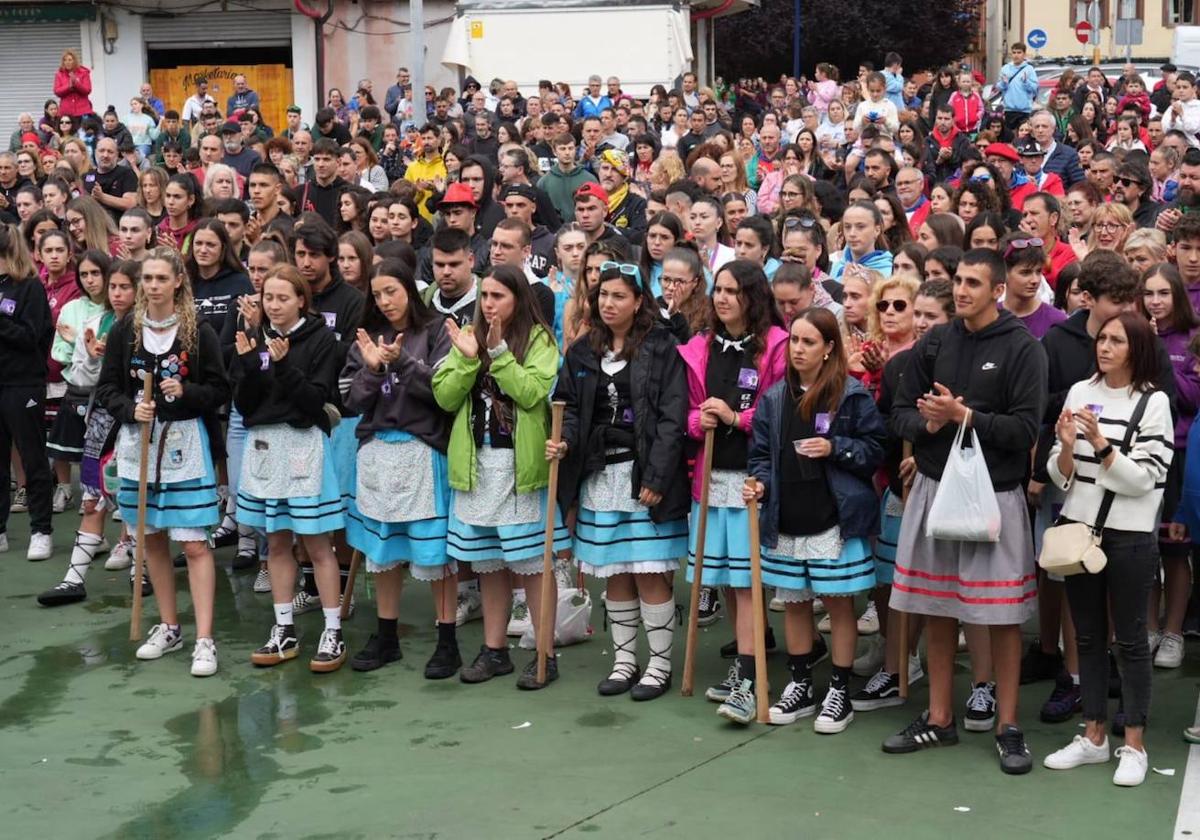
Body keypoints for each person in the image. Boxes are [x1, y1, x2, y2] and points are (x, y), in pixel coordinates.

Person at [886, 248, 1048, 775]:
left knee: (999, 619)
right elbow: (899, 413)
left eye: (973, 283)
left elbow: (1025, 431)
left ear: (997, 289)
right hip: (934, 490)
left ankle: (1007, 726)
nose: (961, 291)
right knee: (934, 609)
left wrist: (965, 416)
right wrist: (929, 425)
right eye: (958, 280)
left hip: (994, 497)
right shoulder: (935, 340)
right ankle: (938, 717)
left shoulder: (1024, 348)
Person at [1043, 312, 1172, 787]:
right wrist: (1063, 448)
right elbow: (1062, 478)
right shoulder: (1080, 392)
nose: (1105, 346)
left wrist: (1100, 445)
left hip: (1131, 535)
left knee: (1132, 640)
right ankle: (1094, 735)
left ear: (1136, 348)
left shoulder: (1153, 402)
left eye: (1117, 340)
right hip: (1080, 528)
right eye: (1102, 338)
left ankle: (1133, 743)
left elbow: (1145, 479)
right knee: (1088, 637)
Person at [550, 260, 689, 700]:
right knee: (614, 573)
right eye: (603, 295)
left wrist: (657, 475)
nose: (608, 303)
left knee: (648, 573)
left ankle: (660, 666)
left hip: (642, 475)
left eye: (619, 296)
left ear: (639, 302)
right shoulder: (582, 351)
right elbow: (570, 408)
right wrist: (567, 443)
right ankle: (626, 661)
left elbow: (672, 418)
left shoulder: (662, 348)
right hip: (599, 476)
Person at [744, 306, 885, 731]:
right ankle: (802, 684)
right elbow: (761, 457)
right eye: (794, 341)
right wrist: (761, 485)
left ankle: (838, 689)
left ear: (828, 349)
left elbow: (875, 451)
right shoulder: (772, 399)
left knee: (840, 606)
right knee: (795, 604)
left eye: (809, 342)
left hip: (834, 519)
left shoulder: (851, 393)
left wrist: (835, 447)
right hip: (786, 518)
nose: (799, 349)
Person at [432, 264, 570, 689]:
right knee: (489, 564)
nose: (489, 304)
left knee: (531, 565)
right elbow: (444, 395)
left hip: (519, 466)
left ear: (518, 300)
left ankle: (545, 653)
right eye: (485, 296)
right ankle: (495, 650)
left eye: (498, 297)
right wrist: (469, 360)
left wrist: (499, 356)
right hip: (476, 464)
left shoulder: (541, 340)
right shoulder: (468, 338)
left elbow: (532, 394)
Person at [96, 246, 230, 676]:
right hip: (139, 447)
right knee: (150, 538)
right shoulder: (125, 331)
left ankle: (205, 639)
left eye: (159, 278)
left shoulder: (198, 332)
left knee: (193, 544)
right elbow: (109, 388)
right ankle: (170, 626)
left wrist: (185, 393)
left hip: (185, 447)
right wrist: (128, 410)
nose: (152, 286)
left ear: (177, 282)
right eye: (146, 279)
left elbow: (219, 389)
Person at [679, 260, 788, 722]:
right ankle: (746, 662)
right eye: (718, 290)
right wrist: (696, 420)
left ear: (753, 296)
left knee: (746, 586)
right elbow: (686, 410)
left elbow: (781, 412)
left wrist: (734, 418)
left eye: (732, 291)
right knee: (723, 578)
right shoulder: (701, 346)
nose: (722, 298)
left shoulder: (776, 346)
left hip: (750, 479)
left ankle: (750, 677)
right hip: (710, 478)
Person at [341, 259, 456, 673]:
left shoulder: (438, 330)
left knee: (436, 552)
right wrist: (373, 369)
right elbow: (350, 400)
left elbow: (446, 393)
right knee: (383, 551)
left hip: (423, 450)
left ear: (409, 287)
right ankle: (387, 635)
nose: (385, 301)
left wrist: (404, 363)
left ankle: (448, 639)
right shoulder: (367, 338)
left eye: (391, 291)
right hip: (377, 453)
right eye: (377, 294)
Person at [233, 264, 346, 672]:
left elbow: (316, 402)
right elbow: (245, 404)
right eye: (269, 298)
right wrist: (249, 363)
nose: (274, 305)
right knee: (276, 542)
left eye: (283, 298)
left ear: (302, 299)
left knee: (317, 544)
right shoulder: (252, 338)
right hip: (264, 447)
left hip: (302, 445)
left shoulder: (321, 341)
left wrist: (282, 367)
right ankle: (284, 628)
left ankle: (332, 630)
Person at [38, 258, 140, 604]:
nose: (118, 293)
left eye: (125, 286)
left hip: (139, 422)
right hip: (100, 420)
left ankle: (139, 570)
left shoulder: (148, 326)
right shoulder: (97, 322)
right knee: (94, 497)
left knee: (134, 497)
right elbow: (80, 377)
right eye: (114, 286)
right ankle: (74, 578)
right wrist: (95, 356)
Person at [0, 224, 54, 560]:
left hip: (23, 383)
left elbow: (31, 337)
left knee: (33, 457)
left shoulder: (29, 287)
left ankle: (41, 530)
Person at [1001, 233, 1066, 338]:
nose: (1035, 280)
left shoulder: (1057, 321)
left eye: (1038, 271)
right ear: (1004, 272)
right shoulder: (988, 318)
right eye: (1025, 273)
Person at [538, 132, 598, 224]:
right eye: (562, 149)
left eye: (570, 148)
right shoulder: (544, 182)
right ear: (554, 151)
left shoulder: (589, 179)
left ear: (575, 149)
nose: (567, 153)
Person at [997, 43, 1039, 131]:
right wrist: (1004, 83)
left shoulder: (1029, 69)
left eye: (1019, 52)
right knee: (1010, 137)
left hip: (1024, 111)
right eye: (1014, 52)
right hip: (1009, 110)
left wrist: (1025, 82)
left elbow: (1034, 88)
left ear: (1024, 54)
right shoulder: (1005, 68)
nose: (1016, 55)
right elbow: (999, 87)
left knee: (1024, 136)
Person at [54, 50, 93, 120]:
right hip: (66, 112)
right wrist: (69, 86)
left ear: (74, 61)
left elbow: (87, 90)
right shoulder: (59, 74)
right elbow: (57, 91)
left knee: (83, 131)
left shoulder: (84, 73)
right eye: (65, 60)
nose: (67, 62)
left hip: (83, 111)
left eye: (70, 60)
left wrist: (76, 83)